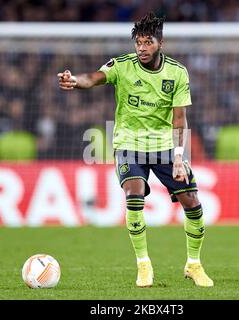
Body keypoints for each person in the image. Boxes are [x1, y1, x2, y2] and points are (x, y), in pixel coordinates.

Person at [58, 12, 213, 288]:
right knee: (134, 195)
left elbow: (179, 119)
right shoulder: (122, 65)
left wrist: (179, 158)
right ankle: (144, 265)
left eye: (147, 42)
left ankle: (194, 264)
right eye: (138, 42)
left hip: (165, 146)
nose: (141, 48)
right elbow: (93, 77)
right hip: (129, 144)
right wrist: (75, 80)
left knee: (192, 201)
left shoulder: (177, 72)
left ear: (160, 43)